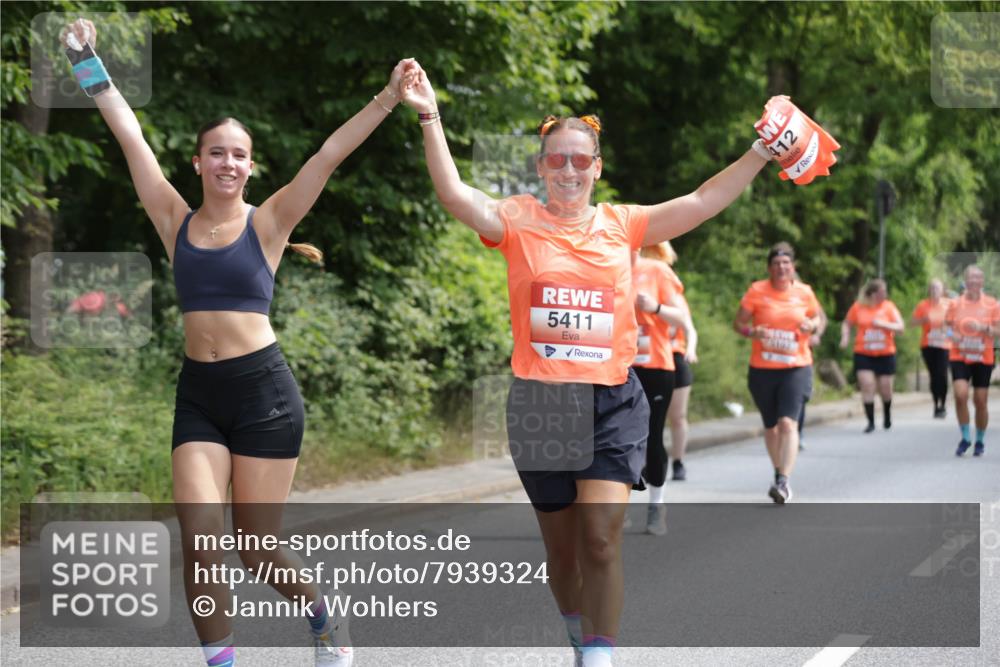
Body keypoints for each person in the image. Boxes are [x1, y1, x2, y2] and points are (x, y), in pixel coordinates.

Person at [399, 60, 774, 667]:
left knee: (600, 539)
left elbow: (704, 200)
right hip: (542, 404)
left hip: (611, 400)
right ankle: (578, 636)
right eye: (557, 160)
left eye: (580, 160)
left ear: (596, 167)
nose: (569, 170)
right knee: (563, 553)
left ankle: (599, 657)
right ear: (541, 166)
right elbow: (454, 193)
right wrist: (429, 114)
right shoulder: (517, 220)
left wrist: (760, 151)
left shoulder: (624, 225)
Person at [62, 18, 409, 667]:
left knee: (256, 548)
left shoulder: (270, 220)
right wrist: (86, 59)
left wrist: (388, 98)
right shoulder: (173, 218)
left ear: (251, 167)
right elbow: (129, 134)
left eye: (239, 154)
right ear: (198, 162)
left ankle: (322, 615)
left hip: (264, 397)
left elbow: (328, 154)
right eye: (216, 152)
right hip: (199, 395)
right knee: (199, 538)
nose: (228, 162)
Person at [733, 243, 824, 504]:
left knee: (787, 423)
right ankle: (778, 471)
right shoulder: (756, 291)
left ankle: (783, 481)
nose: (781, 268)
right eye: (776, 264)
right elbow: (738, 324)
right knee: (771, 428)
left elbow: (817, 318)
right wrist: (752, 332)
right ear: (769, 268)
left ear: (793, 267)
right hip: (763, 369)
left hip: (796, 367)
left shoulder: (804, 292)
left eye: (785, 263)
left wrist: (810, 325)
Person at [632, 245, 696, 535]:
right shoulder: (603, 267)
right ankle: (615, 506)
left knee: (652, 436)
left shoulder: (657, 271)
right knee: (616, 440)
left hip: (655, 366)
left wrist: (655, 308)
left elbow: (683, 320)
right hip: (616, 368)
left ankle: (656, 505)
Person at [654, 242, 699, 480]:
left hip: (675, 358)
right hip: (650, 360)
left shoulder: (675, 299)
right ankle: (650, 461)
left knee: (677, 416)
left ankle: (678, 461)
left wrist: (690, 349)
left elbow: (689, 328)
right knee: (653, 418)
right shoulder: (641, 293)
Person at [946, 266, 999, 457]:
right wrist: (953, 335)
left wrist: (983, 328)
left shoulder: (992, 304)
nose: (974, 281)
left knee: (980, 401)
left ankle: (980, 440)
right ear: (965, 281)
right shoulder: (955, 304)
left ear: (982, 282)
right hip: (959, 355)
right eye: (971, 278)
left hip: (983, 357)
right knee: (960, 395)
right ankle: (966, 437)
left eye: (978, 278)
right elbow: (946, 328)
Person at [840, 279, 905, 433]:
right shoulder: (858, 307)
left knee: (886, 388)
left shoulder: (889, 307)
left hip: (885, 353)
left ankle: (887, 415)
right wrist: (845, 337)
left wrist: (884, 324)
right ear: (873, 294)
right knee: (867, 385)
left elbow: (901, 327)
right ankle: (870, 422)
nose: (885, 294)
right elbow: (847, 323)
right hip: (863, 353)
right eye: (883, 292)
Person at [911, 279, 953, 418]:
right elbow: (912, 322)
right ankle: (936, 405)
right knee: (934, 375)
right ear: (929, 290)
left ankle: (943, 404)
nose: (934, 290)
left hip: (944, 344)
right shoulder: (922, 305)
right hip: (928, 344)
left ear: (942, 290)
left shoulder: (949, 304)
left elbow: (956, 324)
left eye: (937, 288)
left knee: (942, 374)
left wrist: (947, 330)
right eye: (932, 288)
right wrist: (924, 320)